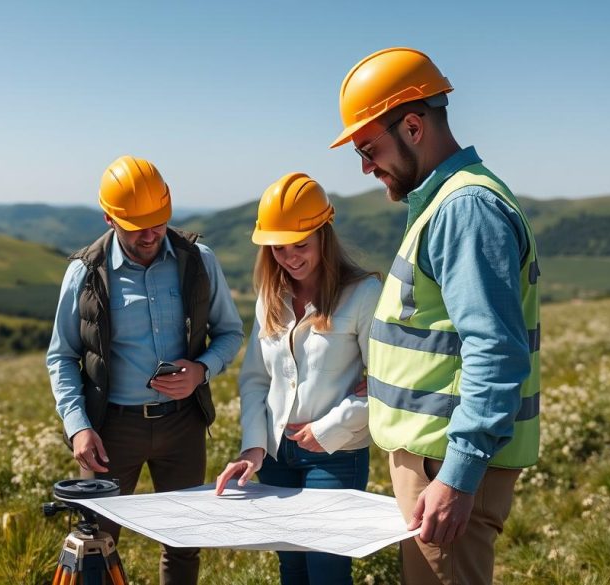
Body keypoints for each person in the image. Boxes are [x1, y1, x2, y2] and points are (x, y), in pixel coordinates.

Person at [329, 47, 541, 584]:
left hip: (446, 468)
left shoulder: (464, 209)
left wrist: (458, 475)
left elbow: (495, 350)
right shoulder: (445, 202)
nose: (364, 165)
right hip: (437, 463)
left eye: (369, 147)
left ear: (415, 127)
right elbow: (441, 333)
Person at [47, 154, 244, 585]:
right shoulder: (84, 272)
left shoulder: (199, 260)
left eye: (159, 220)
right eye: (138, 226)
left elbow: (230, 333)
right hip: (110, 432)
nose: (152, 233)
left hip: (183, 427)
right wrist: (78, 427)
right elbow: (61, 356)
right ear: (109, 218)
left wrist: (201, 370)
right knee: (95, 546)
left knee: (185, 542)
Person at [214, 172, 381, 585]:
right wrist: (253, 447)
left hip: (337, 453)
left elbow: (382, 385)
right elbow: (255, 379)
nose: (289, 257)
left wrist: (327, 429)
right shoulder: (270, 298)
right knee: (291, 567)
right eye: (278, 248)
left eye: (300, 245)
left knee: (326, 569)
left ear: (324, 235)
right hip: (274, 457)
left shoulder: (363, 294)